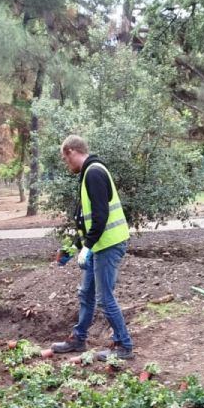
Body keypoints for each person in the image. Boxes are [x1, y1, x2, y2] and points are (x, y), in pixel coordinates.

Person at [51, 135, 134, 361]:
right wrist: (72, 248)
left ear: (71, 151)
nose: (66, 164)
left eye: (65, 159)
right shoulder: (88, 173)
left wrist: (87, 247)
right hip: (100, 243)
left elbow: (100, 216)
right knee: (85, 293)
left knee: (104, 297)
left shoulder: (94, 172)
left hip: (108, 244)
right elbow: (86, 221)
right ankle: (78, 339)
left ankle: (124, 345)